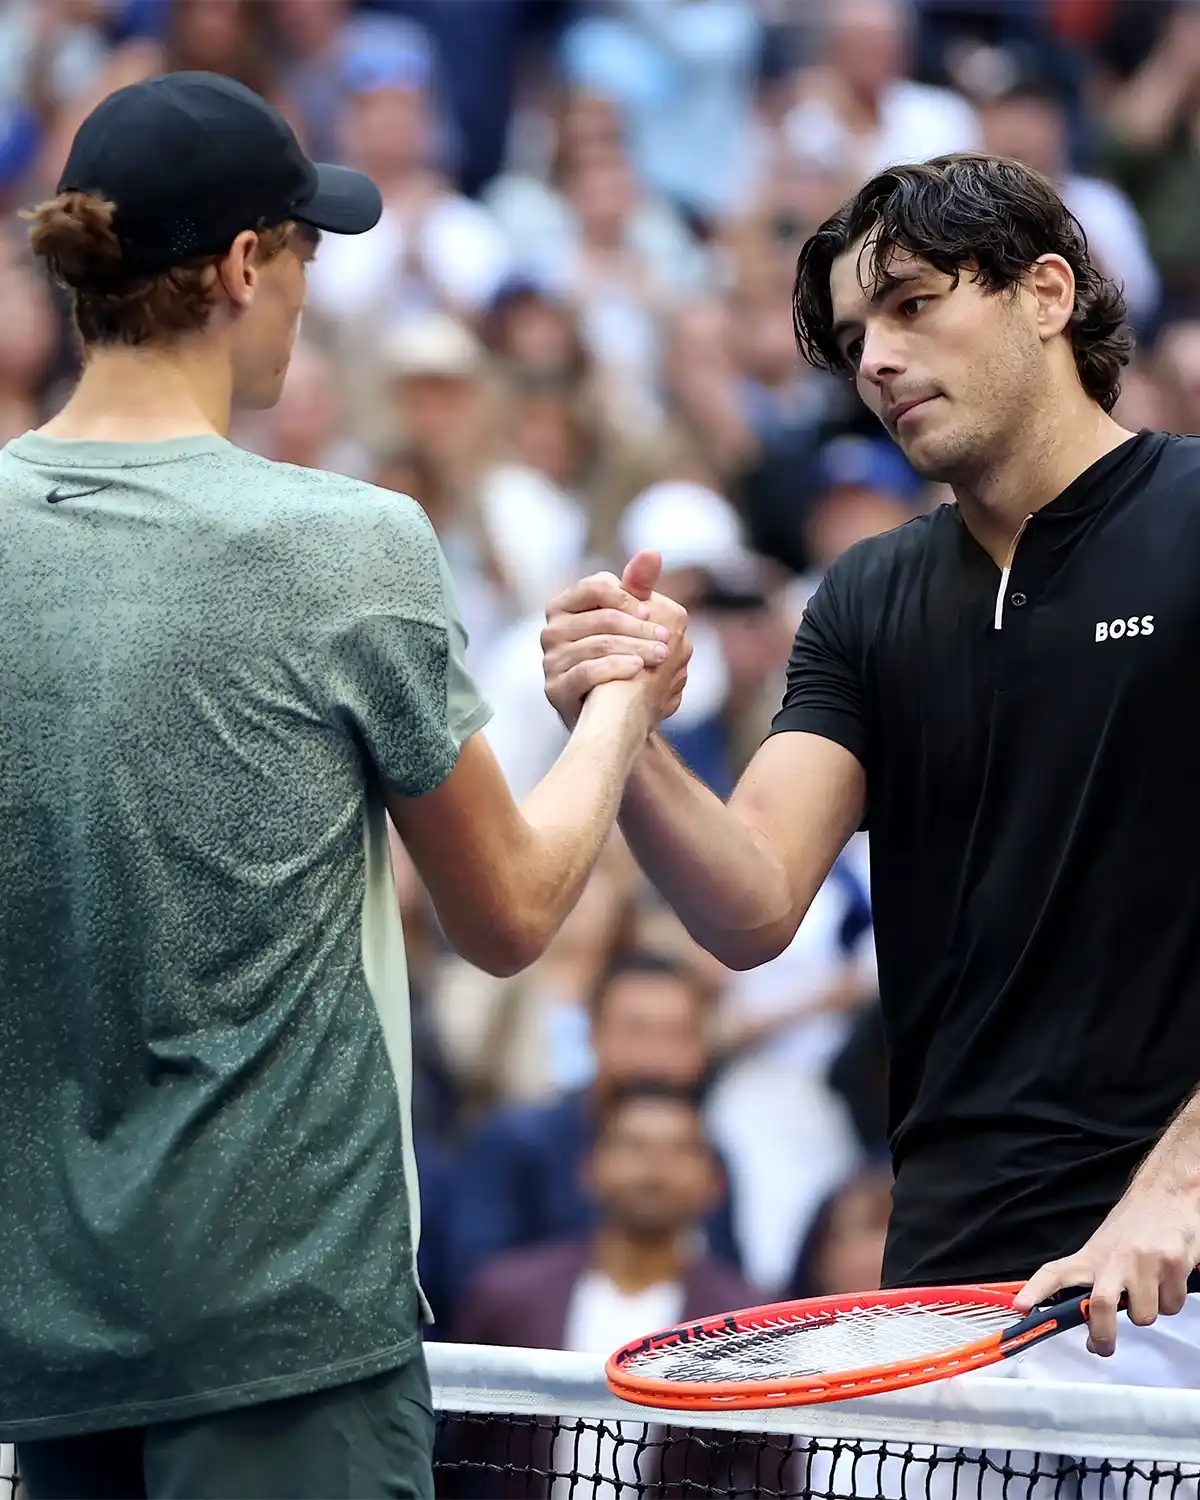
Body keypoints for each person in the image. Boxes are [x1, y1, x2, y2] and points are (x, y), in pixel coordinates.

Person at [0, 72, 689, 1500]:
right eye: (306, 248)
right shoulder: (347, 544)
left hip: (44, 1348)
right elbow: (509, 913)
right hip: (287, 1343)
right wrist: (621, 702)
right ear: (246, 266)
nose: (311, 287)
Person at [541, 151, 1200, 1380]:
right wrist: (621, 728)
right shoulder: (868, 594)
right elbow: (748, 906)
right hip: (954, 1288)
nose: (877, 360)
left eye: (912, 304)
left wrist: (1182, 1187)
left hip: (1178, 1272)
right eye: (855, 336)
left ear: (1047, 295)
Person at [446, 1084, 764, 1500]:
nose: (655, 1165)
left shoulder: (749, 1323)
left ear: (713, 1183)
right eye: (634, 1145)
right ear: (589, 1168)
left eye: (679, 1149)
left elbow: (768, 1474)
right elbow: (452, 1452)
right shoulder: (506, 1294)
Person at [442, 950, 741, 1315]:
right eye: (636, 1031)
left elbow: (729, 1299)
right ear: (592, 1034)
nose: (654, 1057)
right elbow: (471, 1285)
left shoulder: (709, 1155)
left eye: (676, 1035)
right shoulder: (518, 1141)